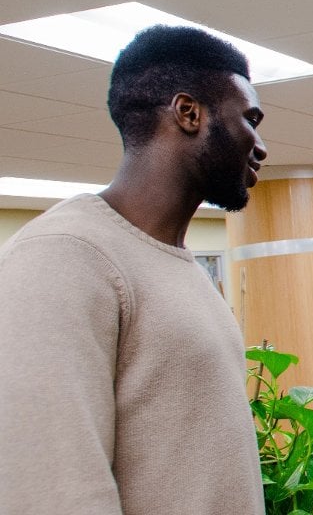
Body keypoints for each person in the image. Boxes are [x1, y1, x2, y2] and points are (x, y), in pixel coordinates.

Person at [0, 26, 268, 513]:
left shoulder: (175, 263)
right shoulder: (63, 255)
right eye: (250, 118)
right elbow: (52, 495)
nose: (261, 145)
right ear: (189, 113)